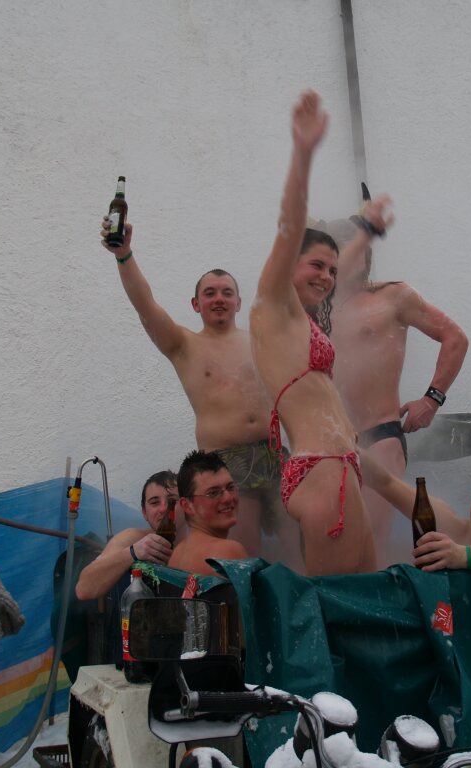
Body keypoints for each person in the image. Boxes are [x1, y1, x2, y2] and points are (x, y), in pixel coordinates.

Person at [99, 216, 302, 570]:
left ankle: (301, 598)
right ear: (196, 304)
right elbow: (145, 305)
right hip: (226, 462)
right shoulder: (184, 345)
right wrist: (124, 255)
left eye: (226, 293)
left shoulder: (261, 343)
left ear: (239, 303)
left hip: (274, 454)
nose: (219, 299)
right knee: (244, 555)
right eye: (210, 293)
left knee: (297, 545)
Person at [249, 90, 376, 576]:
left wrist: (368, 232)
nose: (326, 276)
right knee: (336, 604)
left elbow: (340, 268)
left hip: (342, 466)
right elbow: (289, 227)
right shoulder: (273, 304)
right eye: (316, 265)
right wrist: (302, 155)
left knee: (367, 598)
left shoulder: (301, 319)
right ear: (290, 265)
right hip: (319, 467)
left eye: (332, 269)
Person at [325, 214, 468, 567]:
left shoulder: (392, 296)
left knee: (372, 531)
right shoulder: (320, 309)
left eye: (360, 247)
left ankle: (378, 597)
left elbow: (455, 338)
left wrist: (431, 400)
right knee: (337, 535)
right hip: (335, 441)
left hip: (380, 434)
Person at [75, 470, 179, 600]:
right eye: (154, 502)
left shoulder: (197, 541)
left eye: (172, 501)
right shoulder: (134, 538)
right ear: (144, 513)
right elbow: (84, 589)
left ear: (187, 506)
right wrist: (133, 552)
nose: (163, 509)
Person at [168, 450, 249, 576]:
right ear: (187, 506)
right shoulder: (229, 551)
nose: (228, 498)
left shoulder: (176, 555)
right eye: (213, 493)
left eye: (230, 487)